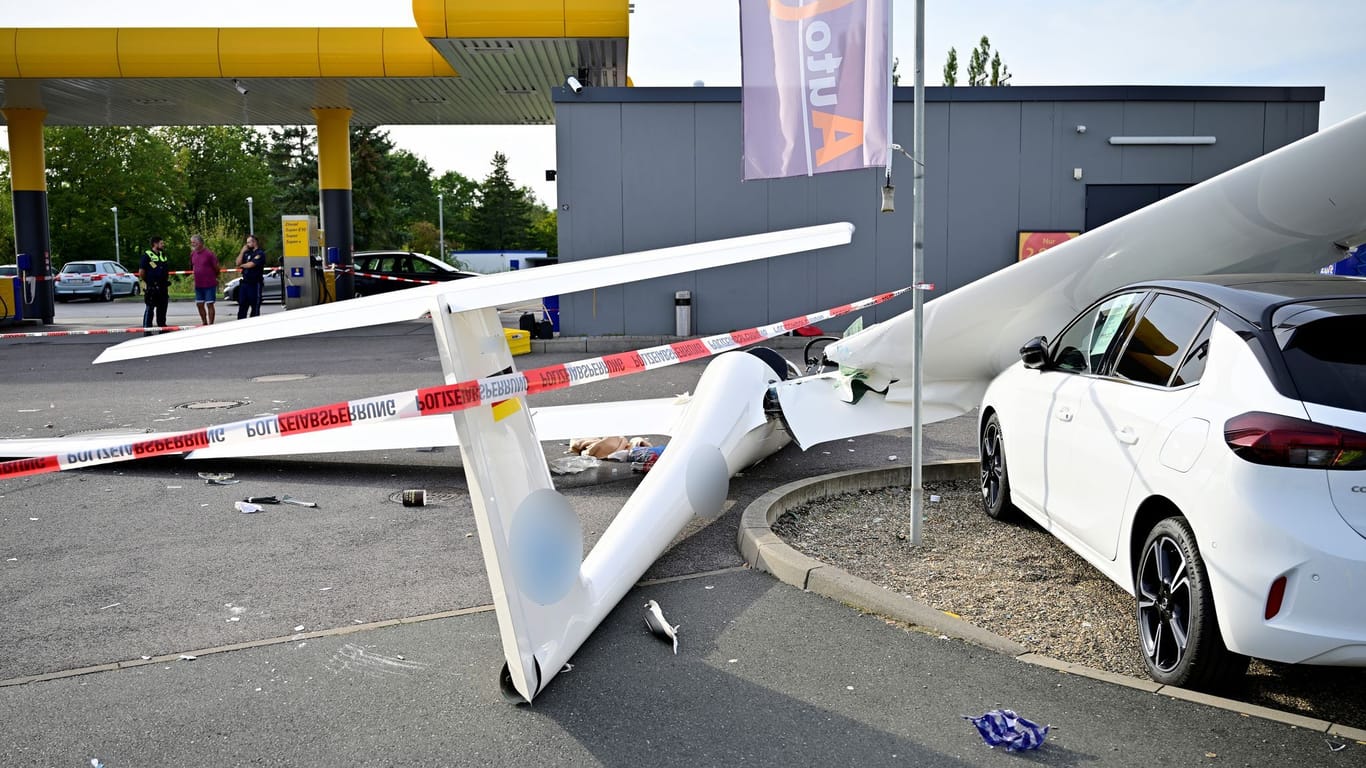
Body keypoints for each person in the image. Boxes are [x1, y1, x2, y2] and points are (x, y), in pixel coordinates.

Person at [138, 236, 170, 334]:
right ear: (155, 244)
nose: (163, 245)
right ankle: (147, 330)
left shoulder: (163, 255)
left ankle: (162, 328)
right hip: (152, 287)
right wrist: (148, 281)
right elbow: (141, 272)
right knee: (150, 308)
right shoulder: (147, 256)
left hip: (163, 287)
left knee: (162, 309)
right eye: (161, 243)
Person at [189, 234, 220, 325]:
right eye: (192, 243)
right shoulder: (193, 254)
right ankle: (204, 322)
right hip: (198, 284)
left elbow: (216, 268)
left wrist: (214, 277)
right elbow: (192, 266)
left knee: (209, 304)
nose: (193, 244)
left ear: (200, 243)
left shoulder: (209, 254)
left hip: (209, 284)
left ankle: (211, 323)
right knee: (199, 304)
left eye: (194, 242)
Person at [235, 234, 268, 319]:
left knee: (255, 306)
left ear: (254, 242)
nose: (247, 244)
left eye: (249, 242)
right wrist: (242, 252)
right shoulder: (246, 253)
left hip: (255, 283)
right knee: (242, 305)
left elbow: (251, 264)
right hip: (245, 283)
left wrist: (242, 266)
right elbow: (237, 263)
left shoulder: (260, 253)